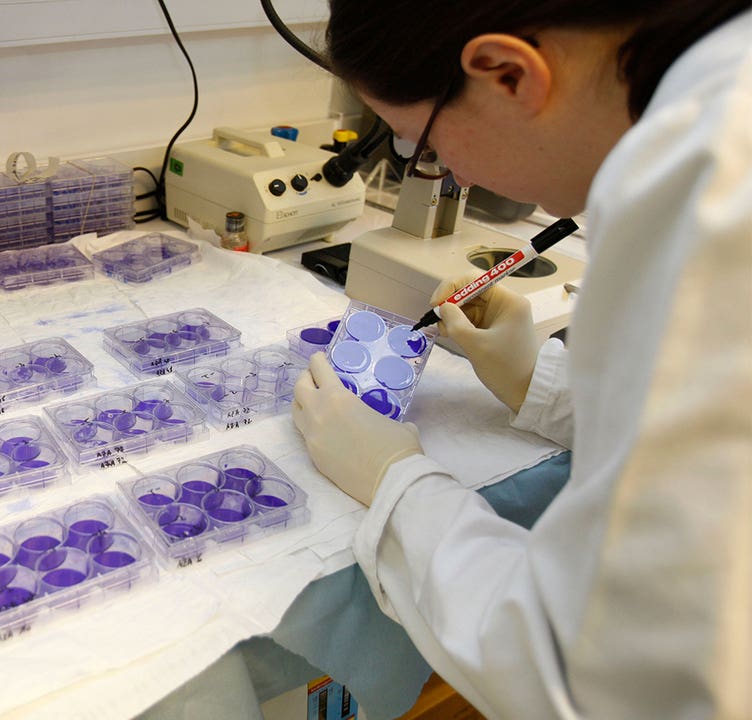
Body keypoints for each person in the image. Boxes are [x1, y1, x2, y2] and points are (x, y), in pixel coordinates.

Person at [290, 2, 751, 718]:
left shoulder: (712, 195)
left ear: (507, 74)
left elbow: (591, 676)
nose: (455, 177)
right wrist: (542, 382)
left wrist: (397, 484)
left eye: (424, 145)